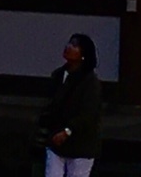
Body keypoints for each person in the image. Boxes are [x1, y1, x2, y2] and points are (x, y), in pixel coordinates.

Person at [39, 32, 102, 177]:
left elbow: (88, 113)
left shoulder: (90, 82)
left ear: (83, 54)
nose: (68, 47)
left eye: (74, 45)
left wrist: (68, 130)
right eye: (69, 43)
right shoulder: (59, 75)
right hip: (56, 139)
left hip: (81, 144)